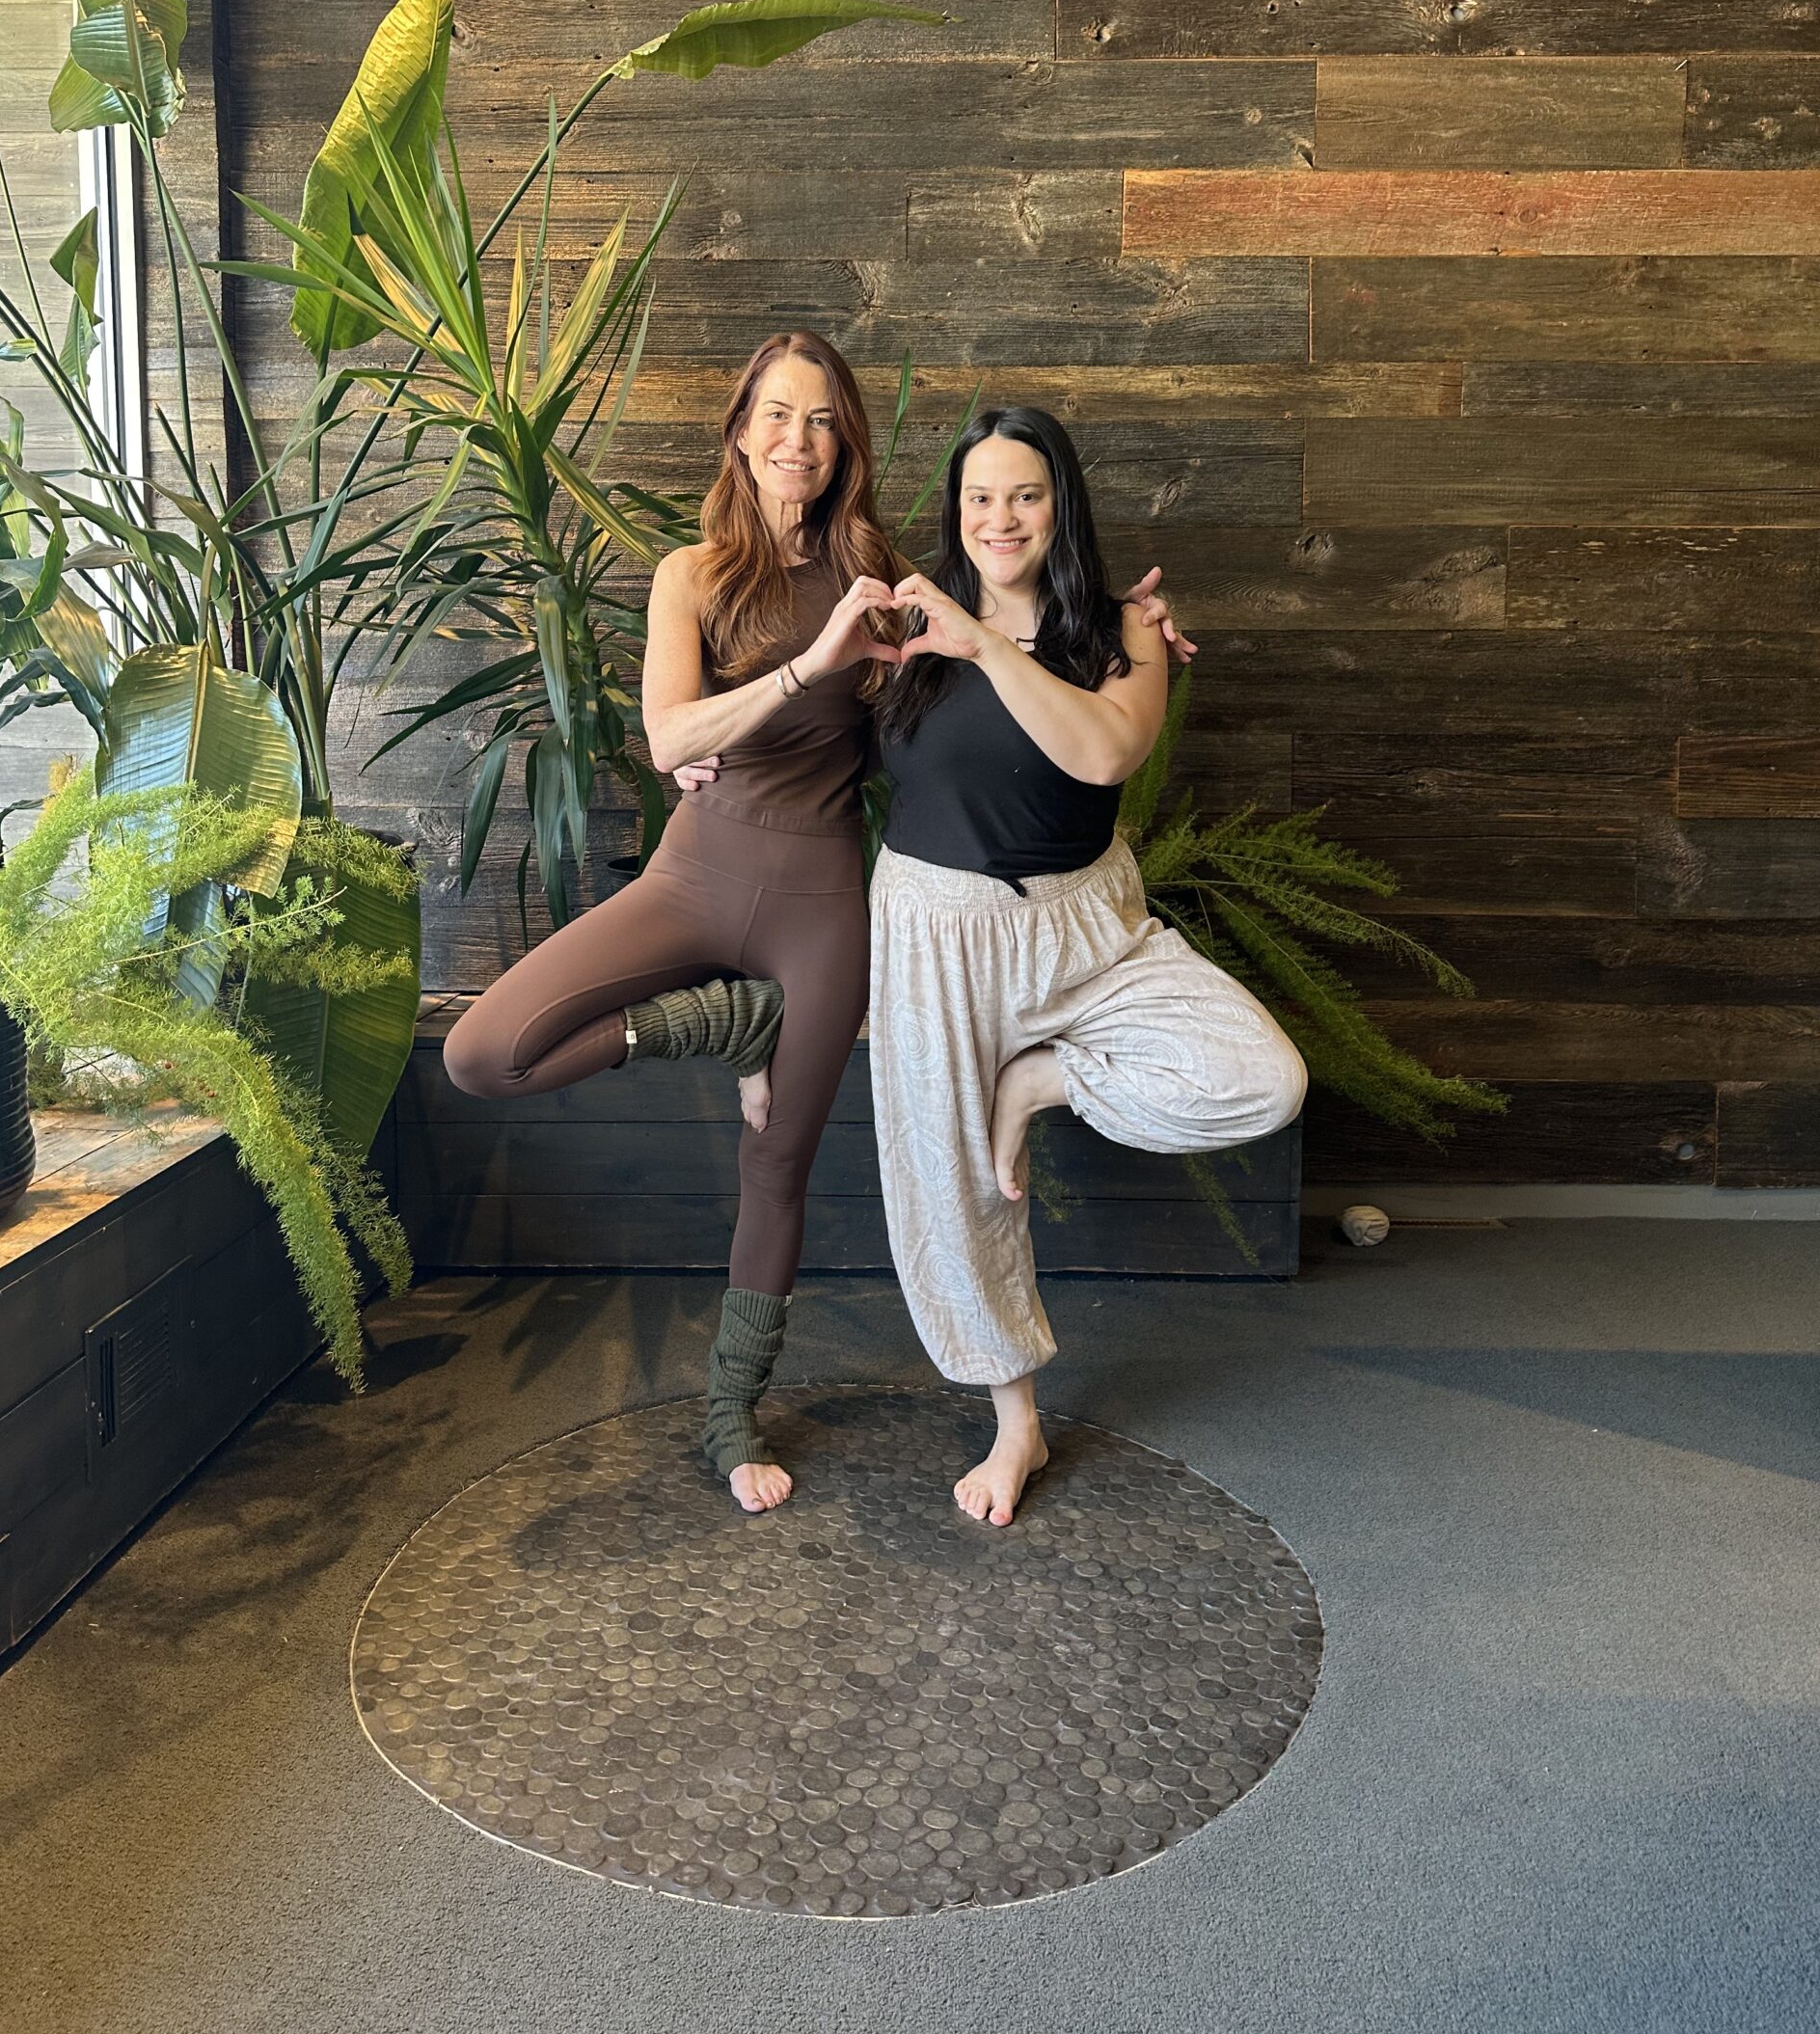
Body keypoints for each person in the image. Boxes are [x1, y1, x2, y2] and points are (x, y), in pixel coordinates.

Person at [443, 332, 905, 1513]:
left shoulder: (878, 579)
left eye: (822, 419)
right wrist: (806, 671)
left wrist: (1114, 641)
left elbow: (961, 689)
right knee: (484, 1052)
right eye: (777, 414)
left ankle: (728, 1410)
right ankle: (720, 1026)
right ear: (741, 431)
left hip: (818, 903)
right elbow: (669, 739)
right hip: (694, 879)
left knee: (779, 1161)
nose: (798, 437)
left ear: (845, 443)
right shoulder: (691, 576)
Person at [868, 406, 1310, 1528]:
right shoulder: (908, 612)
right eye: (977, 497)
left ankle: (1042, 1079)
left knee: (1263, 1075)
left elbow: (1106, 750)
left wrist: (986, 648)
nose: (997, 518)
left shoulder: (1122, 628)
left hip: (1085, 924)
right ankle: (1016, 1421)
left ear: (1060, 503)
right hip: (933, 929)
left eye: (1023, 494)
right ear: (954, 508)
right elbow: (827, 707)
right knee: (955, 1191)